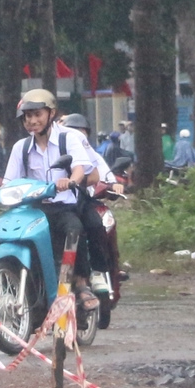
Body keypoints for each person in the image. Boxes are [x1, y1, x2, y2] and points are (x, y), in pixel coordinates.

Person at [0, 88, 101, 310]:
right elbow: (10, 182)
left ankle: (81, 282)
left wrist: (71, 180)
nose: (32, 120)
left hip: (64, 206)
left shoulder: (70, 139)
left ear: (52, 114)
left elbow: (80, 168)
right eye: (28, 116)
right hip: (34, 210)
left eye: (37, 114)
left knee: (74, 228)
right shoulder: (22, 147)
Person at [62, 113, 118, 295]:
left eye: (81, 132)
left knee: (95, 225)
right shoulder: (29, 147)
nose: (77, 136)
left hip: (83, 199)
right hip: (54, 204)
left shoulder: (91, 154)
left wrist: (114, 185)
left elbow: (102, 175)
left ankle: (98, 271)